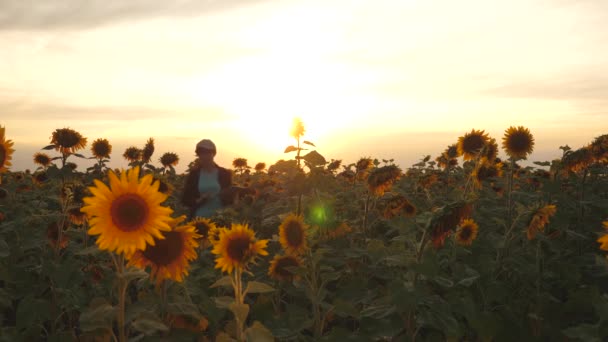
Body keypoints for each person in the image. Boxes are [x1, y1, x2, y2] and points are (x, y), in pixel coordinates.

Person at [181, 139, 233, 219]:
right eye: (201, 153)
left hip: (220, 219)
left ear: (213, 154)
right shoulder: (194, 174)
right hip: (199, 219)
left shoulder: (224, 173)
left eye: (207, 153)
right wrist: (200, 199)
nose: (204, 156)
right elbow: (185, 199)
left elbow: (230, 199)